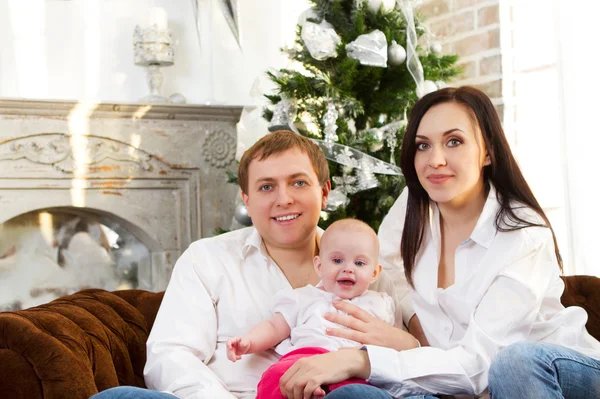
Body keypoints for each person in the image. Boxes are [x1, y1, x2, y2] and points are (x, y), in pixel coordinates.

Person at [274, 86, 600, 399]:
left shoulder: (523, 236)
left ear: (487, 151)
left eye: (454, 141)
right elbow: (385, 263)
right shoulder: (415, 203)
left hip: (554, 375)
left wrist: (359, 359)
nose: (436, 160)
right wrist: (413, 329)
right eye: (422, 145)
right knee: (355, 394)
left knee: (515, 364)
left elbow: (479, 366)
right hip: (454, 382)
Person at [90, 130, 404, 399]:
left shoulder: (370, 274)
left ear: (323, 193)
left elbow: (403, 364)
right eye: (266, 186)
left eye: (298, 183)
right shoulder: (206, 259)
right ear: (247, 199)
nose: (284, 199)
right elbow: (170, 356)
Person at [227, 219, 396, 398]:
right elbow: (275, 327)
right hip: (303, 360)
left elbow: (390, 344)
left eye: (359, 263)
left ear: (375, 273)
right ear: (319, 266)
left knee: (365, 391)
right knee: (275, 376)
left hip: (353, 369)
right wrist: (249, 342)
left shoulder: (380, 304)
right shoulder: (303, 298)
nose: (348, 269)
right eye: (337, 260)